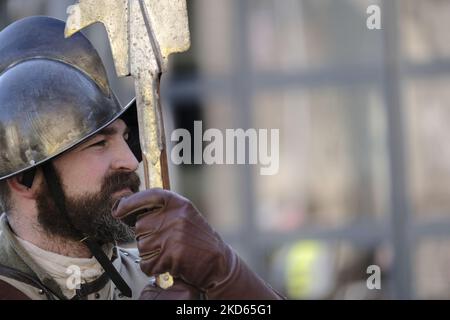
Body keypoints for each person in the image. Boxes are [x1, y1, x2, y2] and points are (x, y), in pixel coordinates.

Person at [0, 16, 284, 300]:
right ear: (24, 180)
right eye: (99, 144)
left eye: (124, 139)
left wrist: (226, 275)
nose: (130, 161)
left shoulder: (160, 281)